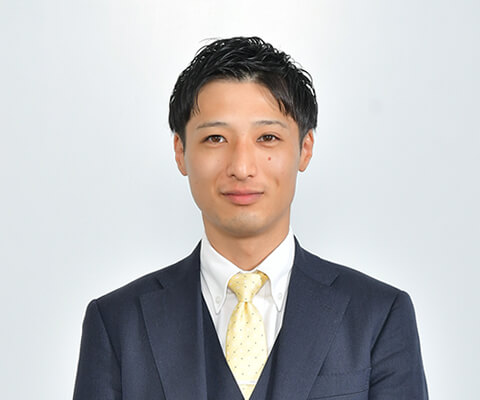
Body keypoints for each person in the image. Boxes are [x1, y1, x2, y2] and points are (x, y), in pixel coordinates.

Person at [73, 36, 428, 400]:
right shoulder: (116, 323)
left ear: (305, 148)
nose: (241, 167)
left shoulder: (378, 315)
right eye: (215, 138)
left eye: (268, 137)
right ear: (180, 151)